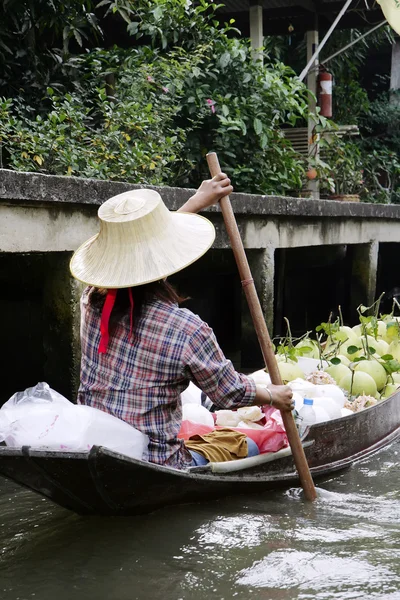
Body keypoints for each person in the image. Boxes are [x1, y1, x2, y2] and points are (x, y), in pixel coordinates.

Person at [70, 175, 294, 469]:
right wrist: (272, 395)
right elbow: (228, 392)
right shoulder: (186, 329)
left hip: (94, 446)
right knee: (249, 443)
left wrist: (195, 203)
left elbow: (144, 258)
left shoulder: (92, 302)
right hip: (158, 459)